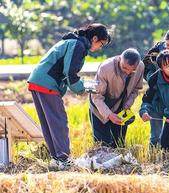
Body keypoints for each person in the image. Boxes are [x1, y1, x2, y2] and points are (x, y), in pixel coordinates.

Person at [27, 23, 111, 170]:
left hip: (37, 81)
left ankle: (56, 159)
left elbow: (67, 72)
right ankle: (64, 160)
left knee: (49, 123)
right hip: (47, 83)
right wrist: (84, 88)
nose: (100, 48)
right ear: (95, 38)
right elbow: (70, 73)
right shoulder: (78, 45)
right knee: (59, 121)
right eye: (101, 44)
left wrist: (80, 86)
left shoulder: (72, 41)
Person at [89, 48, 144, 148]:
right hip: (99, 108)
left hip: (121, 108)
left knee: (119, 144)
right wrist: (109, 115)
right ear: (120, 59)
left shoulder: (140, 66)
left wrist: (127, 105)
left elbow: (136, 89)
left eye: (132, 70)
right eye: (125, 68)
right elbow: (96, 96)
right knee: (103, 145)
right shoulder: (105, 68)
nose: (128, 72)